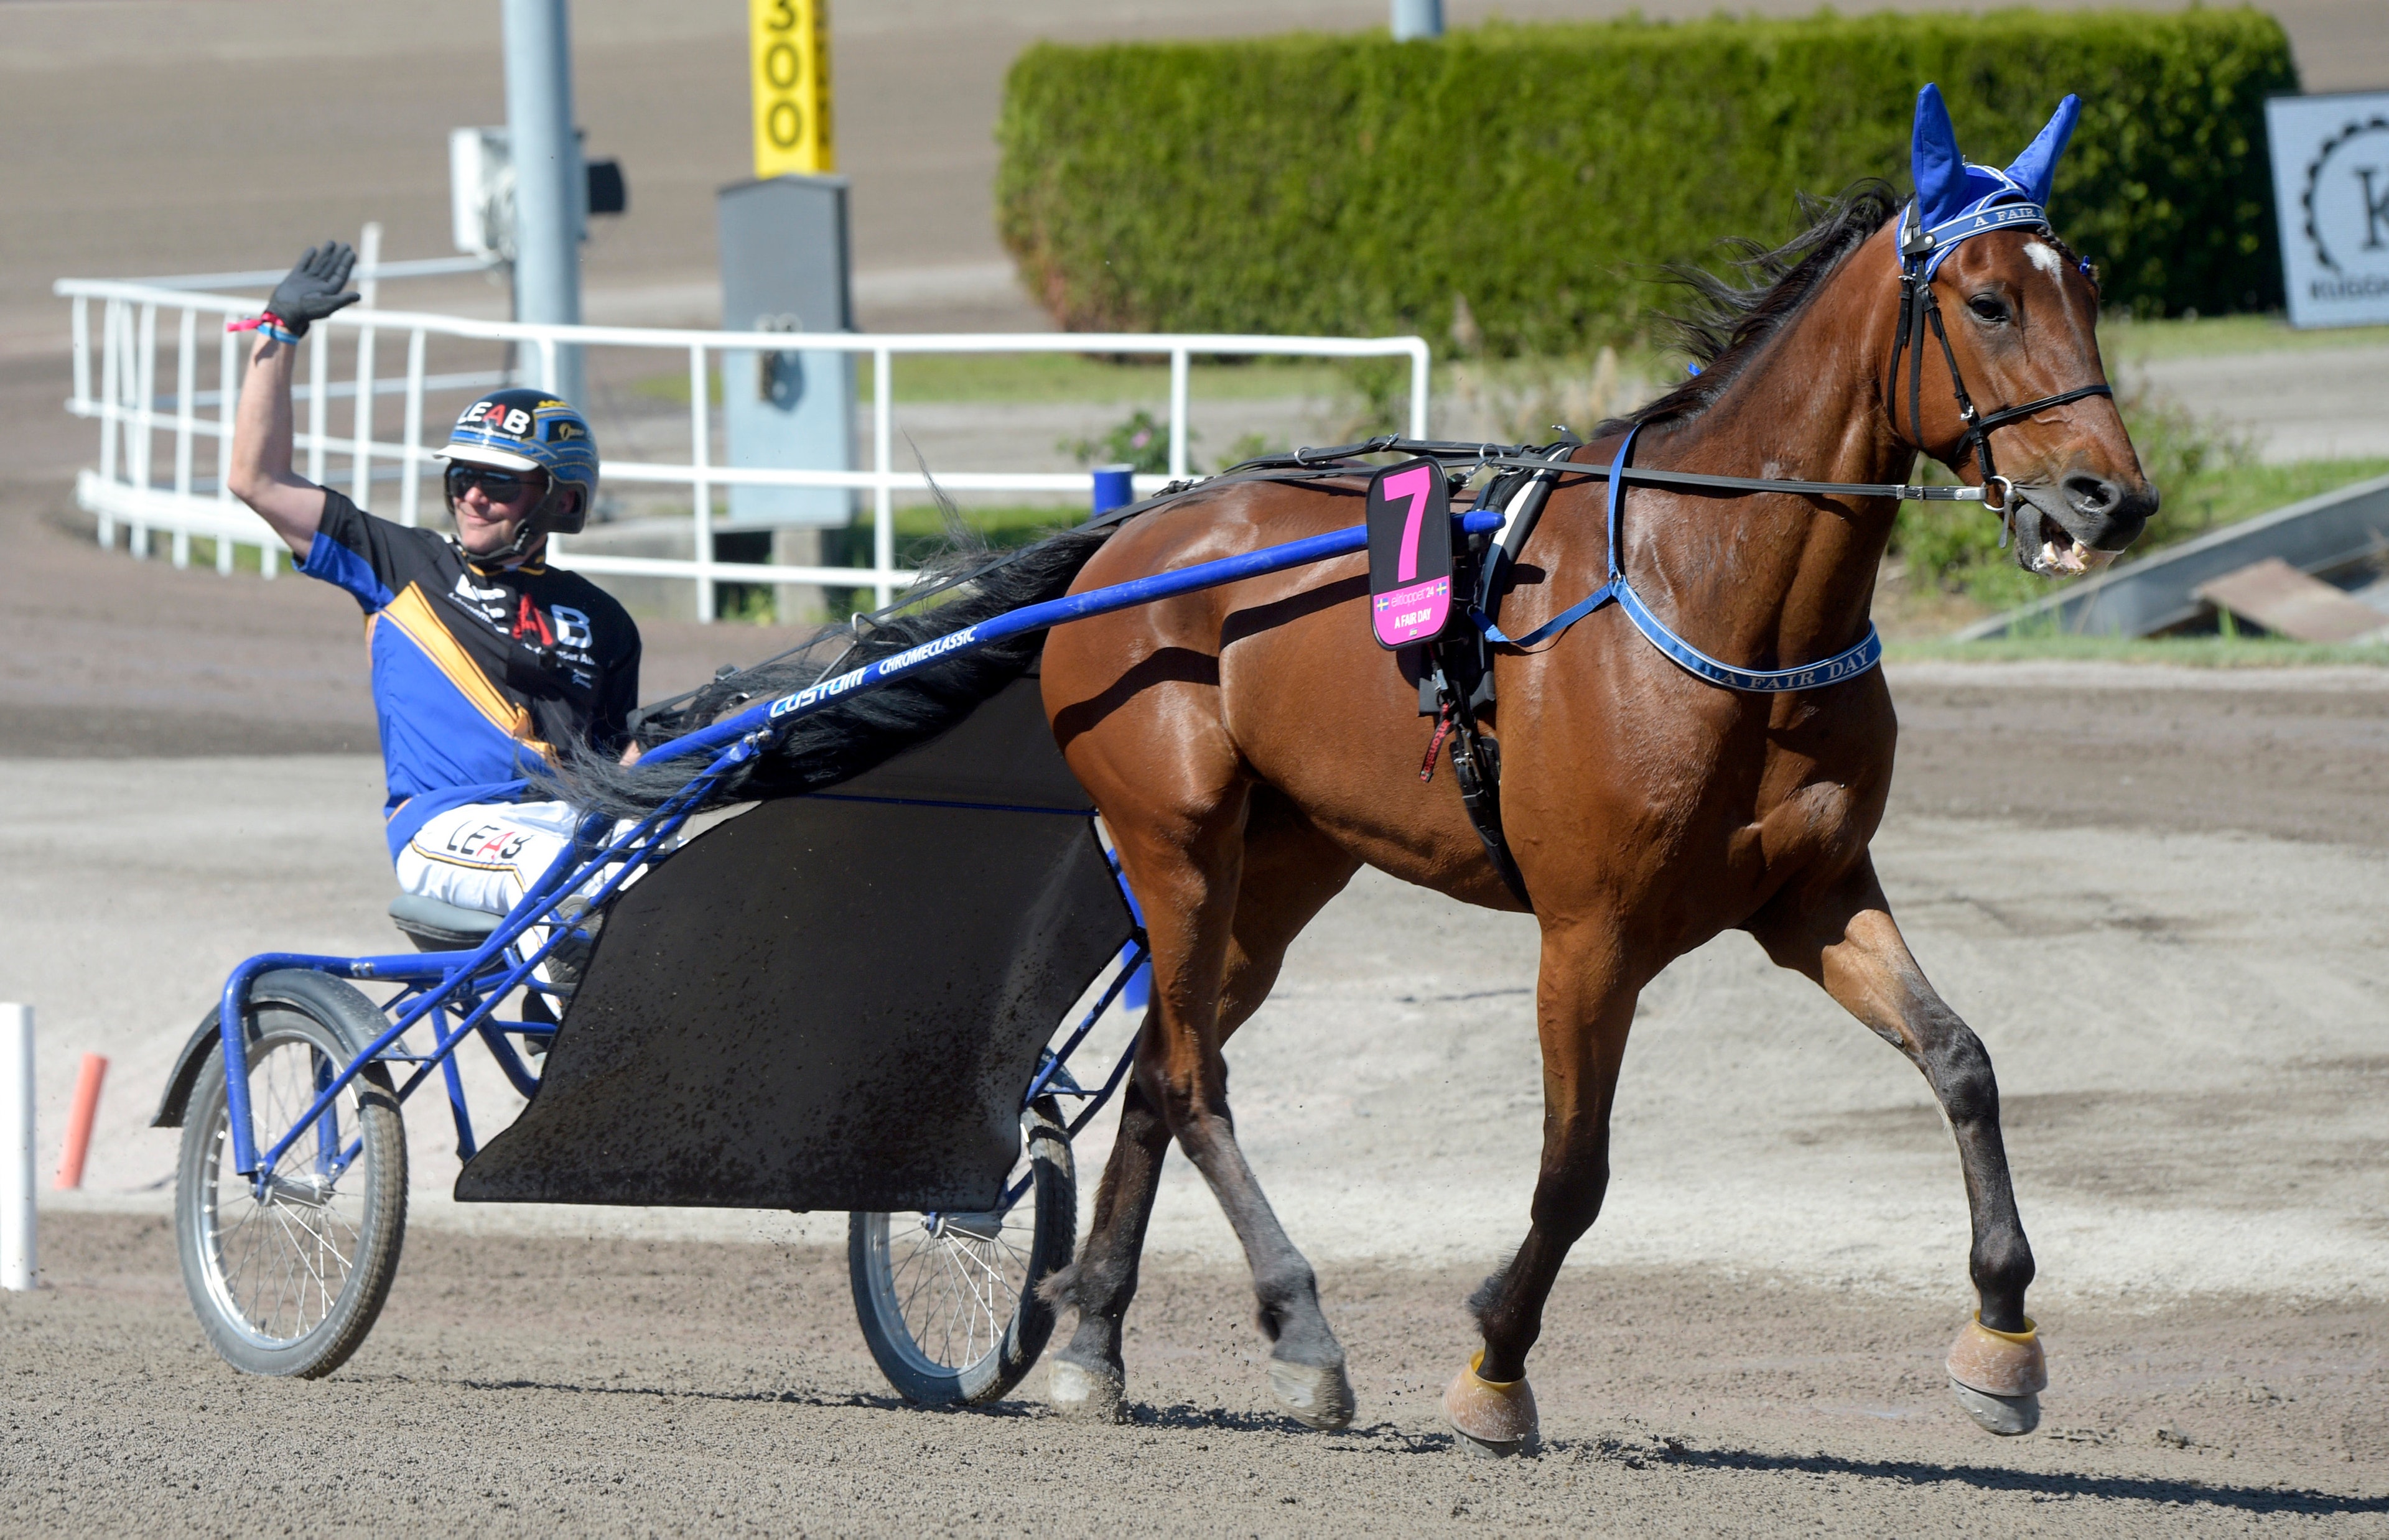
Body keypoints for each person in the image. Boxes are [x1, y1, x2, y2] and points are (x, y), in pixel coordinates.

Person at [226, 241, 642, 975]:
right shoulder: (401, 565)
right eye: (462, 475)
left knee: (678, 869)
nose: (472, 495)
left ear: (560, 501)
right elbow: (256, 479)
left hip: (570, 819)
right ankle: (590, 1061)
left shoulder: (604, 619)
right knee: (559, 877)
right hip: (445, 829)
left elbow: (617, 770)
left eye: (499, 482)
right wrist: (279, 332)